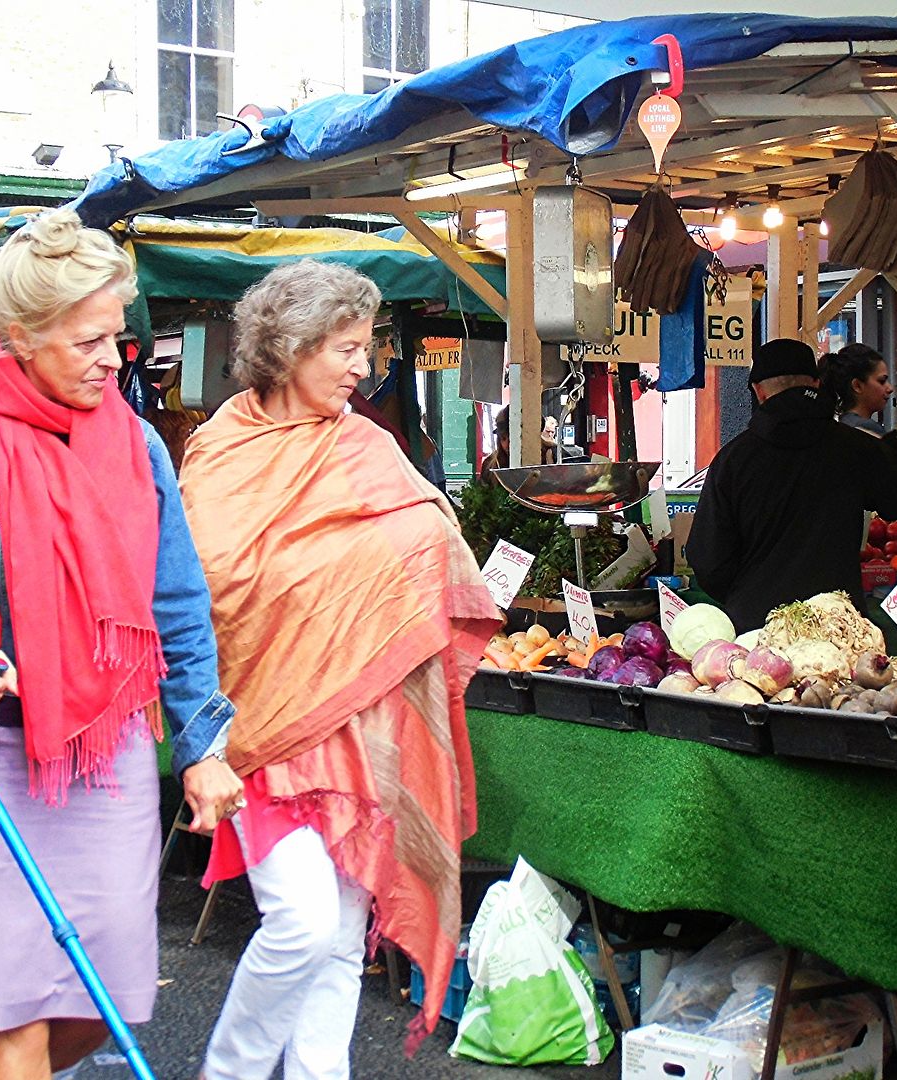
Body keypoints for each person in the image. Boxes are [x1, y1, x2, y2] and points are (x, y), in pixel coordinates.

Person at [0, 208, 242, 1080]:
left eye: (119, 340)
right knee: (15, 1002)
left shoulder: (138, 444)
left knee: (109, 992)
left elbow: (175, 601)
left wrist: (204, 748)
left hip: (107, 748)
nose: (113, 360)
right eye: (89, 342)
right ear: (21, 337)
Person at [179, 260, 500, 1080]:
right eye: (348, 348)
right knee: (301, 922)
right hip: (259, 723)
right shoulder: (220, 449)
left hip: (364, 722)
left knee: (341, 927)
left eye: (368, 347)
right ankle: (234, 1070)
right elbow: (201, 584)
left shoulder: (366, 444)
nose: (365, 367)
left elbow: (432, 538)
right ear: (292, 348)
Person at [687, 338, 897, 630]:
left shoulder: (733, 460)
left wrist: (748, 593)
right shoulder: (855, 448)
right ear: (817, 384)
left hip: (758, 633)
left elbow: (706, 558)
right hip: (838, 630)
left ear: (758, 392)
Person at [822, 342, 893, 435]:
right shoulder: (869, 430)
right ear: (857, 386)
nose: (890, 388)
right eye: (882, 381)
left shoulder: (842, 425)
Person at [478, 406, 511, 482]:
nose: (507, 445)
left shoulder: (542, 460)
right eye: (503, 438)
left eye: (513, 438)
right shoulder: (489, 464)